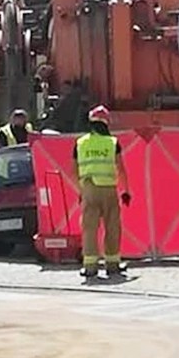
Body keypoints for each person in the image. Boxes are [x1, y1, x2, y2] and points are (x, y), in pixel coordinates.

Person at [72, 105, 131, 277]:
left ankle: (90, 266)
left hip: (89, 189)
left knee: (89, 228)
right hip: (109, 190)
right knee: (112, 227)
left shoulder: (80, 143)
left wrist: (80, 191)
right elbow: (121, 169)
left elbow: (73, 170)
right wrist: (126, 191)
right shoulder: (112, 143)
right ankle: (113, 264)